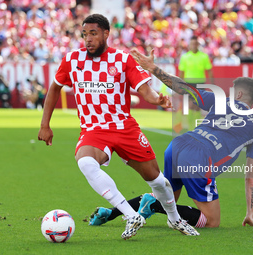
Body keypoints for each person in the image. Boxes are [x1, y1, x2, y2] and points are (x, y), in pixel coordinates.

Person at [37, 14, 199, 240]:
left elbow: (145, 91)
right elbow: (54, 89)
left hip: (125, 129)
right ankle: (131, 215)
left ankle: (174, 218)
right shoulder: (72, 60)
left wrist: (157, 100)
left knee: (157, 180)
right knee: (85, 161)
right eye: (84, 35)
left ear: (106, 34)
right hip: (94, 131)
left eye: (93, 33)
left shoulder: (122, 60)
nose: (88, 40)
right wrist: (45, 124)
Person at [88, 49, 253, 228]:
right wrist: (250, 212)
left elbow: (184, 88)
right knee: (212, 222)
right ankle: (154, 205)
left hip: (179, 144)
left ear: (239, 95)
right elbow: (251, 175)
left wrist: (153, 68)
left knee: (165, 194)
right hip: (201, 156)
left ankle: (110, 213)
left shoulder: (221, 101)